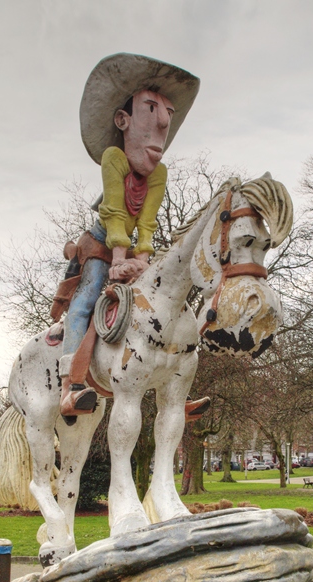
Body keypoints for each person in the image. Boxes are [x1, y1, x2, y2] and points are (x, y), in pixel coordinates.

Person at [59, 54, 201, 420]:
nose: (162, 126)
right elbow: (115, 212)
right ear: (123, 120)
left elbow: (147, 220)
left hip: (132, 250)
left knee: (168, 300)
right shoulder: (114, 158)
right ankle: (70, 386)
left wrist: (143, 259)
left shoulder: (158, 173)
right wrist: (119, 260)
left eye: (167, 118)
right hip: (102, 246)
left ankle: (176, 389)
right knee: (85, 302)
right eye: (150, 111)